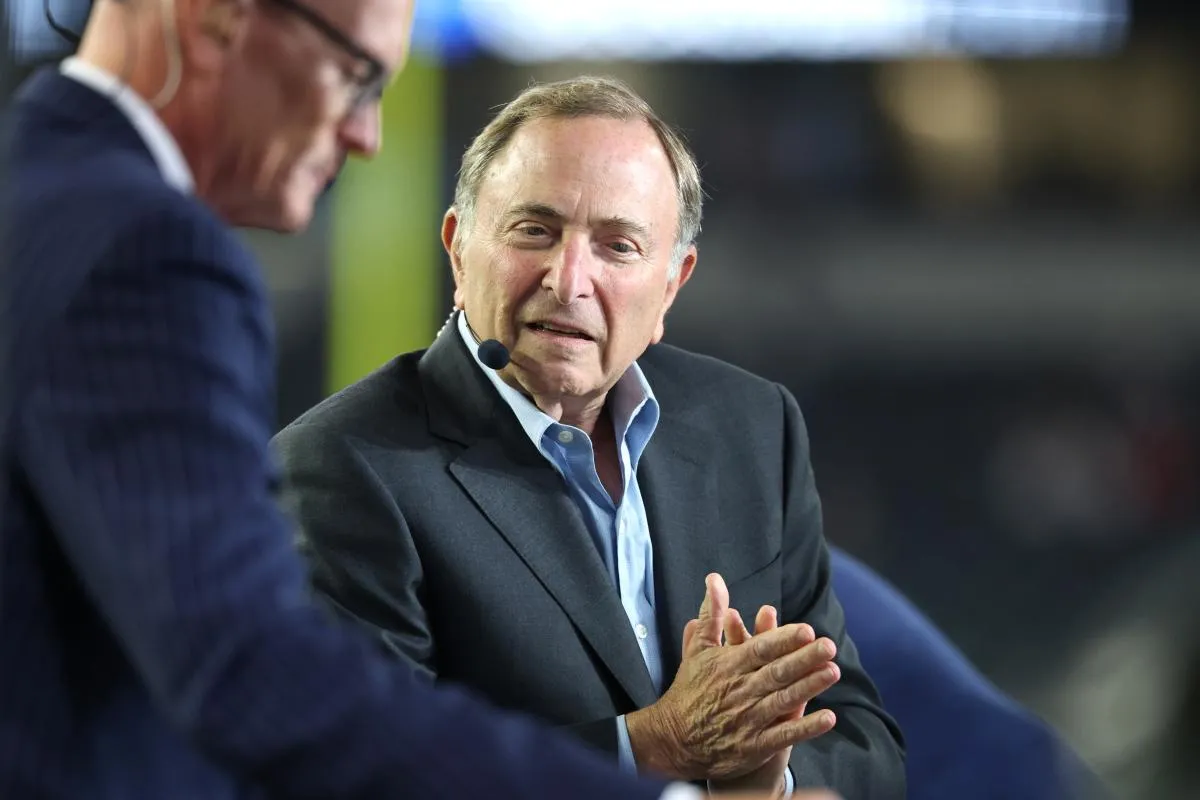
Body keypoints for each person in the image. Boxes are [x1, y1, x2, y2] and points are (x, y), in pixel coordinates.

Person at [0, 2, 824, 798]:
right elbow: (247, 673)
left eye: (618, 245)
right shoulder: (144, 252)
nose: (367, 134)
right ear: (219, 15)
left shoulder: (41, 193)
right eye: (356, 75)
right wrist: (657, 781)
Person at [273, 76, 906, 798]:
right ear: (458, 250)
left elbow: (860, 737)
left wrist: (774, 781)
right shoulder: (341, 469)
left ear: (671, 286)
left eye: (618, 245)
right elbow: (362, 777)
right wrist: (650, 747)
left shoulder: (752, 427)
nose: (569, 279)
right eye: (534, 231)